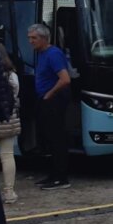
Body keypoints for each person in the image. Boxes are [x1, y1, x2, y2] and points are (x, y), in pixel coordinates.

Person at [27, 23, 71, 189]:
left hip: (53, 100)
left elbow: (65, 79)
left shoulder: (53, 54)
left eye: (34, 38)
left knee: (56, 138)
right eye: (29, 38)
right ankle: (52, 174)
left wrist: (49, 94)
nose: (31, 41)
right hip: (44, 98)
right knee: (48, 139)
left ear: (44, 38)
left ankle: (61, 177)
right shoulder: (41, 54)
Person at [0, 41, 21, 204]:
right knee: (7, 155)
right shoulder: (12, 75)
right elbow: (16, 94)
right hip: (9, 118)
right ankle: (9, 192)